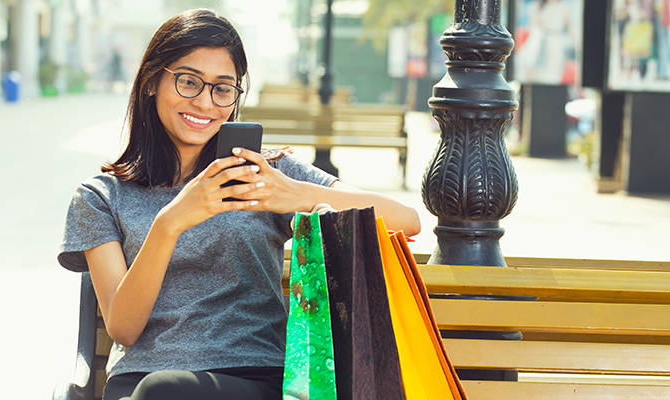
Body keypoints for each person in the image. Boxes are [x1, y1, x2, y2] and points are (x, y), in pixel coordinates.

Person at [57, 9, 421, 400]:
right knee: (160, 390)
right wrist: (171, 222)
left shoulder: (262, 172)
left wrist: (294, 193)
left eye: (222, 89)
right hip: (141, 379)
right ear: (151, 81)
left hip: (254, 377)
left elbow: (408, 219)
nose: (205, 103)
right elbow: (123, 328)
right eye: (188, 82)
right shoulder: (100, 197)